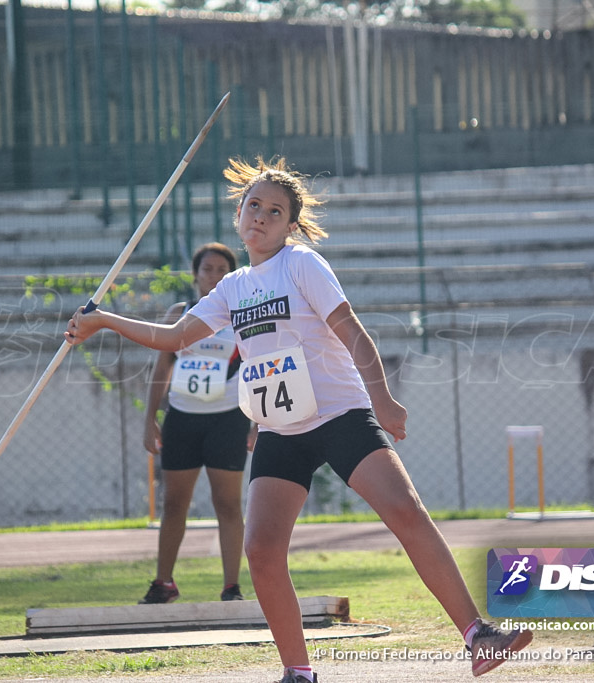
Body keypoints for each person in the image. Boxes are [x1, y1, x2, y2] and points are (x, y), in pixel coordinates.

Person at [67, 157, 532, 682]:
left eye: (275, 210)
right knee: (262, 550)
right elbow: (174, 339)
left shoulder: (302, 265)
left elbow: (353, 331)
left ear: (291, 224)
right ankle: (298, 673)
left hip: (338, 414)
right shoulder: (233, 287)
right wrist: (103, 320)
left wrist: (381, 397)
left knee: (405, 511)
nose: (261, 216)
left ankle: (478, 635)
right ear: (239, 213)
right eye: (253, 206)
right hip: (281, 429)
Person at [139, 242, 256, 605]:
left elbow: (256, 368)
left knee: (228, 504)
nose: (214, 276)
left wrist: (257, 420)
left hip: (228, 418)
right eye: (208, 269)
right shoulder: (180, 313)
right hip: (183, 419)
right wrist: (150, 418)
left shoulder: (244, 315)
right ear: (195, 275)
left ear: (233, 276)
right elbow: (162, 368)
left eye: (223, 270)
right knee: (174, 503)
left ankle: (231, 586)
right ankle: (164, 583)